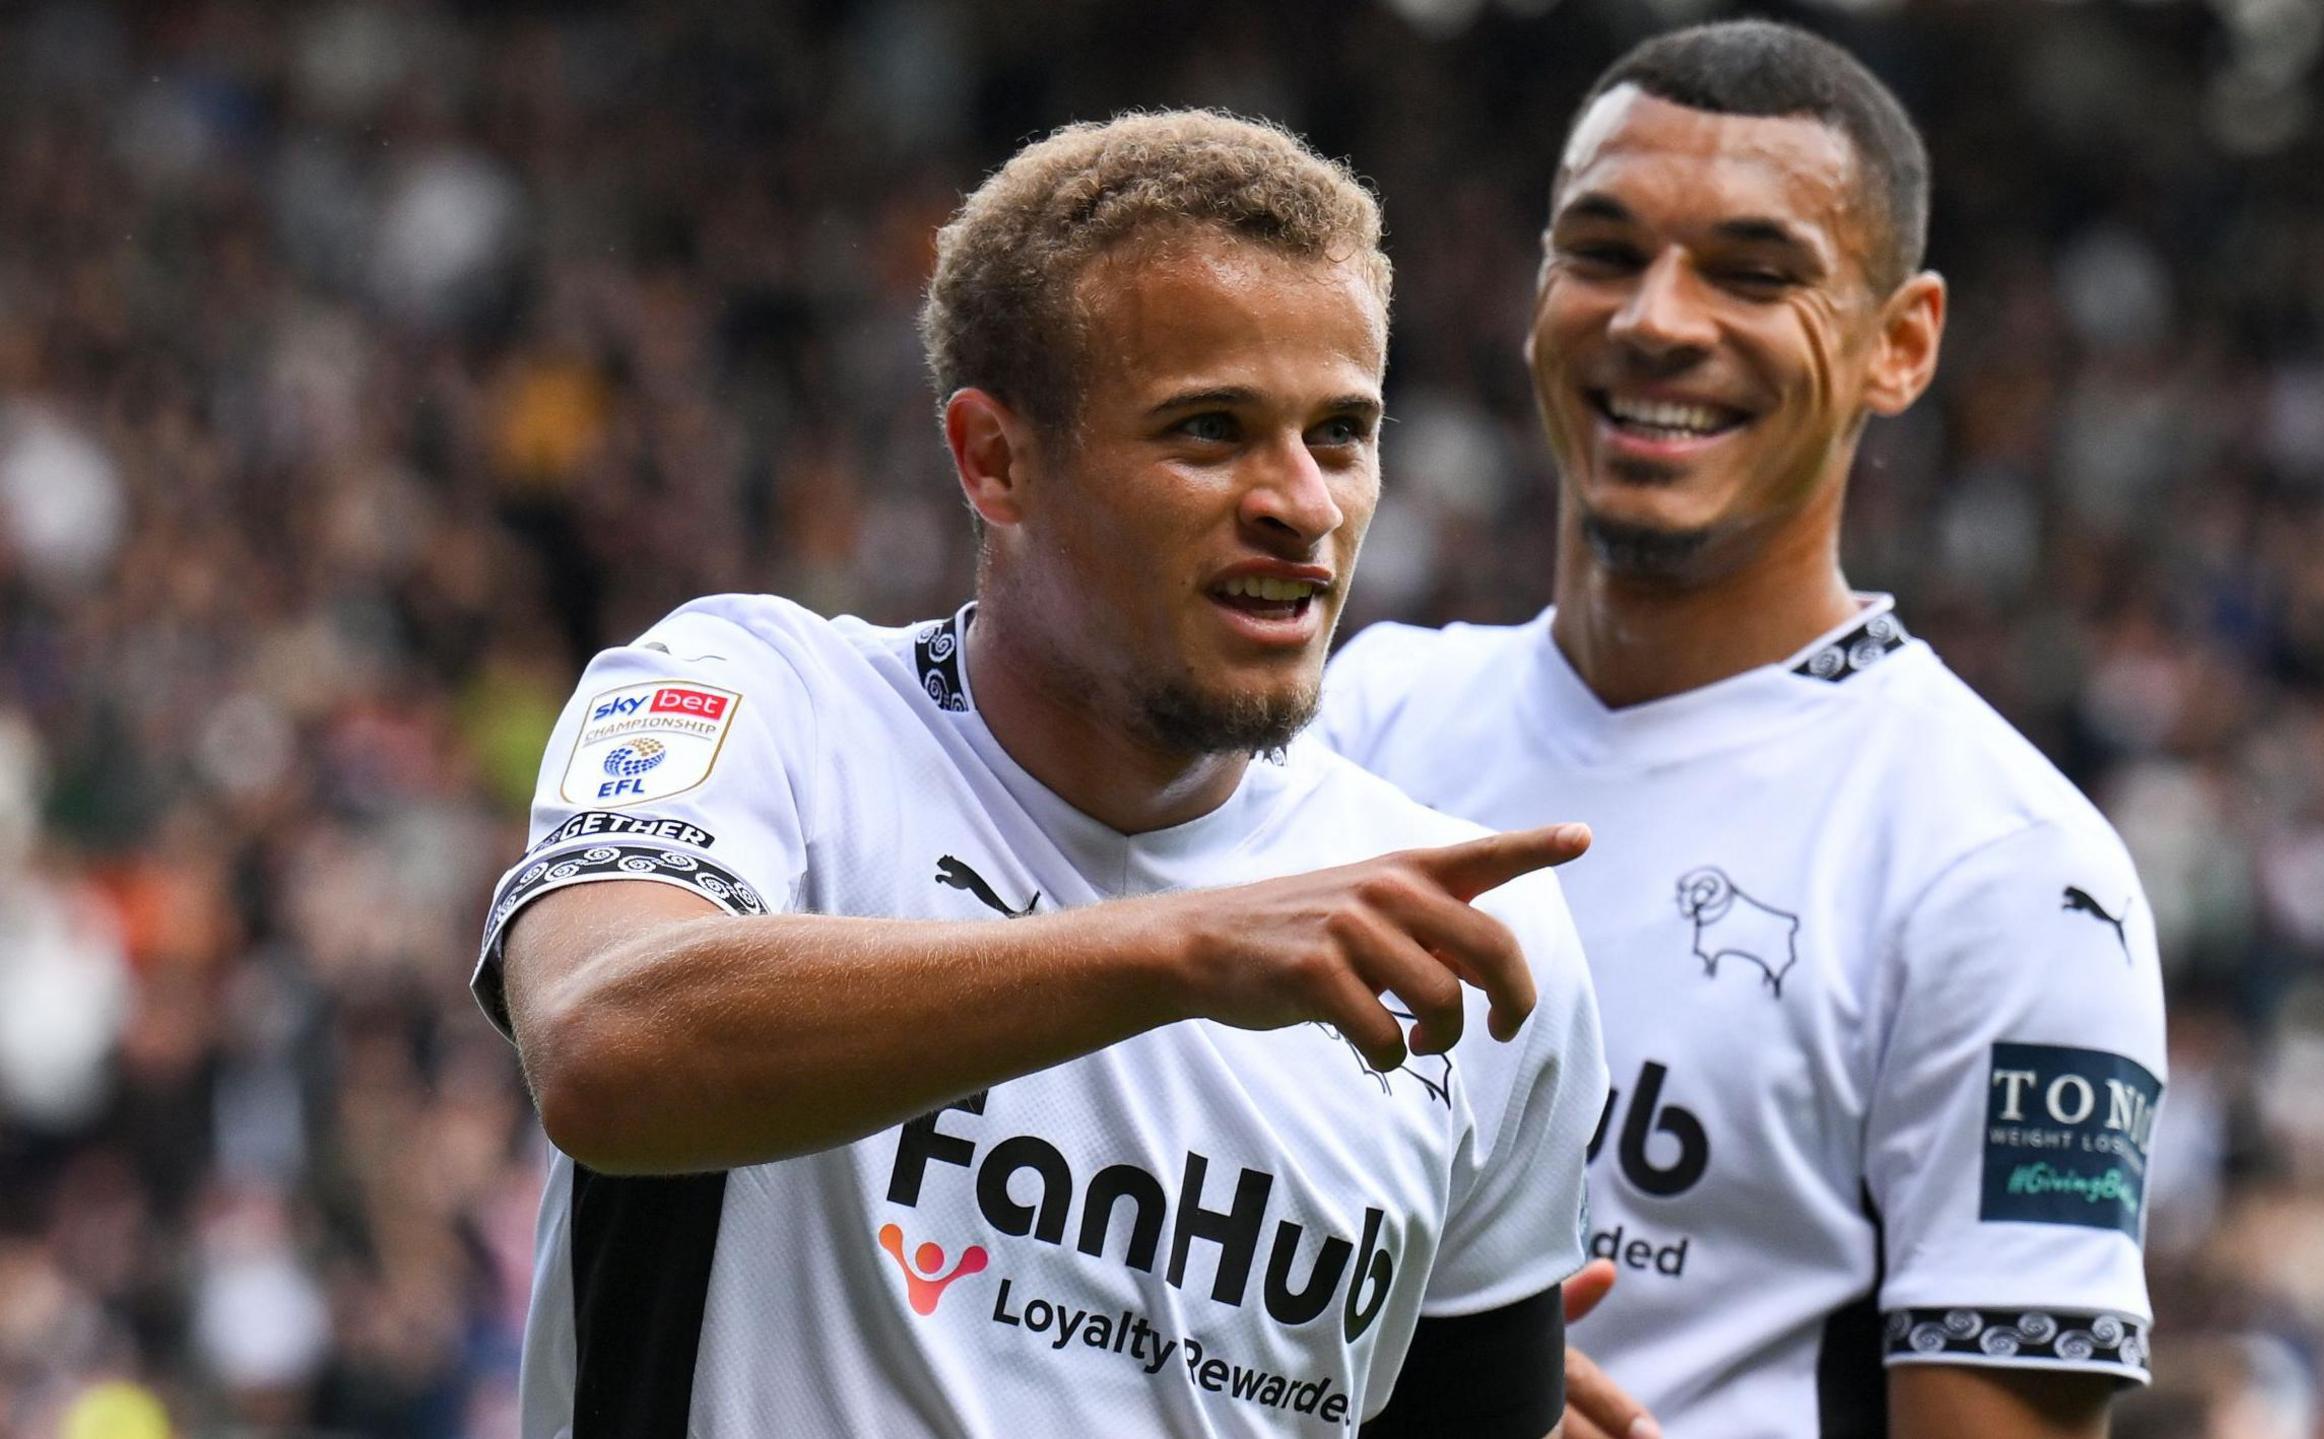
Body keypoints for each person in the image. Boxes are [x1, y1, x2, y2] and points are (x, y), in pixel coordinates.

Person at [473, 111, 1606, 1438]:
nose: (1303, 503)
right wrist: (1177, 949)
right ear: (995, 461)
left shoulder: (1471, 929)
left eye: (1342, 433)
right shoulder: (763, 707)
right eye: (1210, 429)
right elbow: (609, 1049)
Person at [1312, 21, 2165, 1439]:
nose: (1657, 318)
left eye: (1755, 274)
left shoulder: (2011, 875)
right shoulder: (1360, 716)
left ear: (1902, 345)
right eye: (1602, 251)